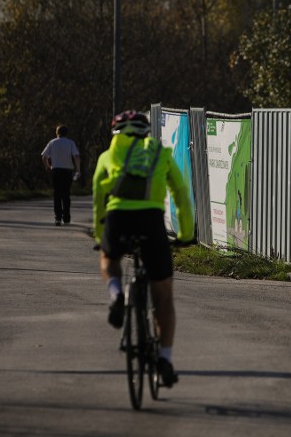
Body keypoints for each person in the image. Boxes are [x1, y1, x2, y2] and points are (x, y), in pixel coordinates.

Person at [92, 110, 195, 388]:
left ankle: (116, 295)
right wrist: (185, 235)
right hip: (151, 221)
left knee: (108, 258)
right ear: (146, 132)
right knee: (163, 295)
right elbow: (181, 194)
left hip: (117, 218)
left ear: (116, 134)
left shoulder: (107, 156)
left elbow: (99, 196)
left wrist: (101, 236)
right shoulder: (161, 154)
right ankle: (164, 359)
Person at [41, 124, 81, 226]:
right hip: (67, 171)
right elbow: (76, 156)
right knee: (66, 194)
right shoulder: (70, 143)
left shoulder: (52, 142)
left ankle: (58, 218)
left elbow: (44, 156)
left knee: (57, 194)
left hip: (56, 170)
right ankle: (66, 218)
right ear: (67, 133)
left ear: (57, 132)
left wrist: (48, 166)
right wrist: (78, 169)